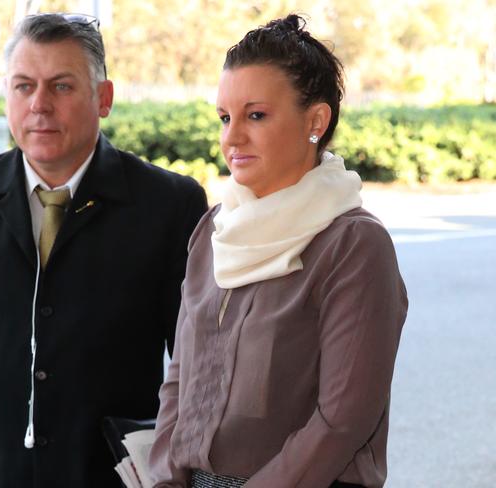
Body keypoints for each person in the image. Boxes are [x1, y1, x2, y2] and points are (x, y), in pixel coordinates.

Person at [0, 13, 207, 488]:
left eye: (61, 86)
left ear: (103, 99)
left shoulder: (170, 205)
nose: (39, 105)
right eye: (23, 86)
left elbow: (194, 376)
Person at [149, 14, 408, 488]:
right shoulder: (213, 231)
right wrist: (165, 477)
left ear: (316, 120)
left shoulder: (353, 246)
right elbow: (179, 382)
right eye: (225, 118)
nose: (232, 137)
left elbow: (342, 421)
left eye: (256, 115)